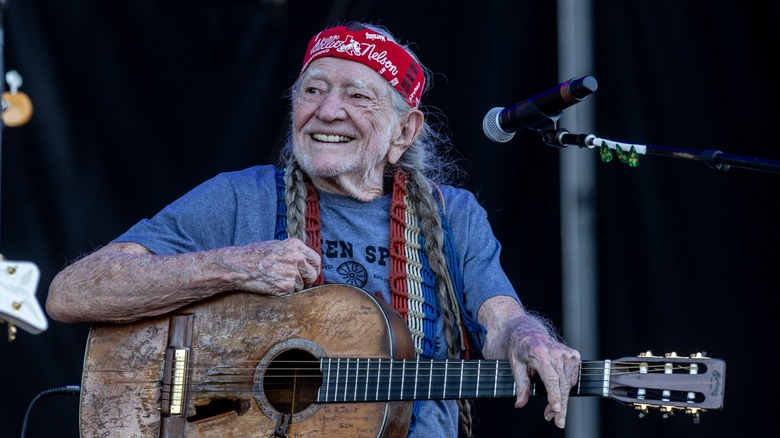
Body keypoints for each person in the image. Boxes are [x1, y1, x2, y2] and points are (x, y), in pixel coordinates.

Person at [46, 21, 581, 437]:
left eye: (358, 96)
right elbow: (72, 293)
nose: (327, 111)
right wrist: (232, 265)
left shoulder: (453, 214)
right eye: (313, 90)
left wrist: (531, 338)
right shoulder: (240, 197)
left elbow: (503, 321)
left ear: (404, 130)